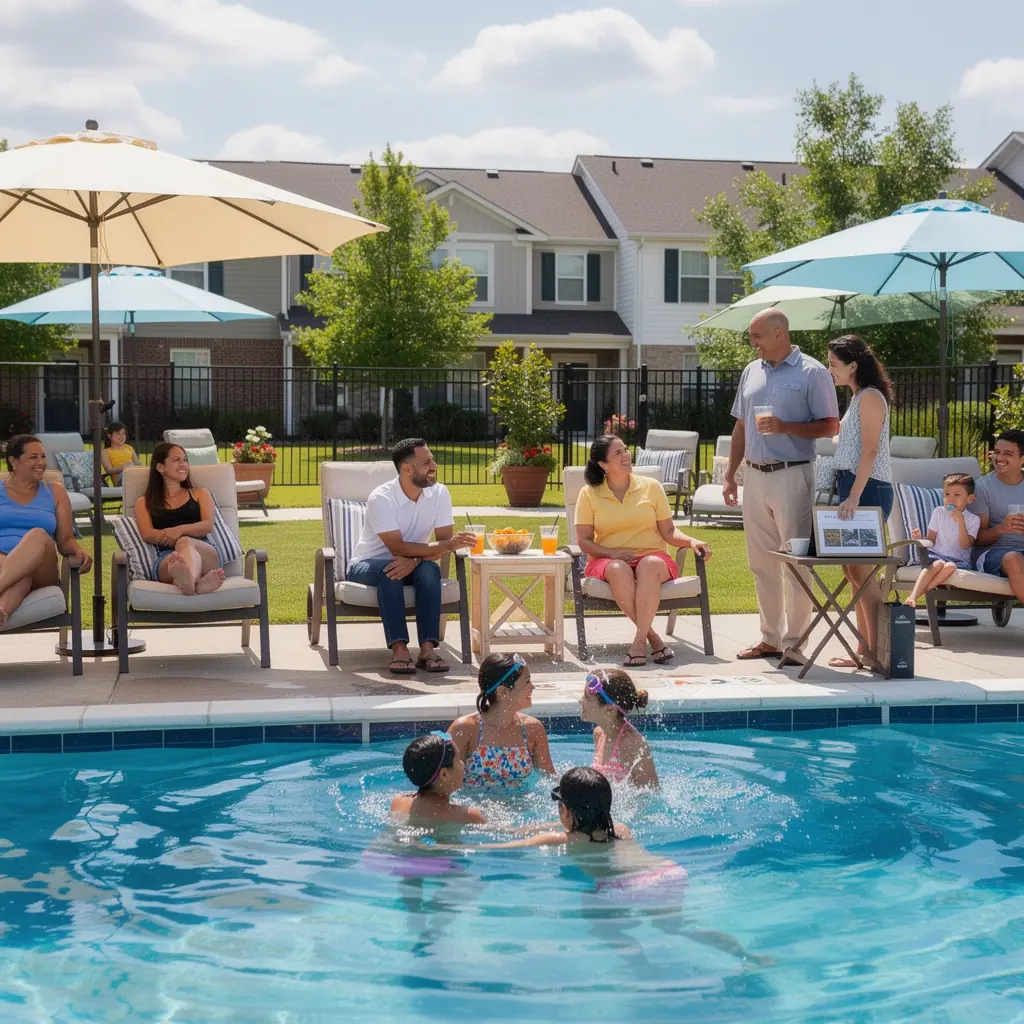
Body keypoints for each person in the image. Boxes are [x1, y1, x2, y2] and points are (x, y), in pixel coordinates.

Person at [724, 309, 839, 663]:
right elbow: (742, 427)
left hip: (792, 475)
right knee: (761, 563)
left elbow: (830, 426)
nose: (752, 343)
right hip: (755, 477)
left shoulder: (813, 372)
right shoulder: (751, 371)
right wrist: (731, 474)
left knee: (796, 563)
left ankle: (795, 645)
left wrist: (786, 426)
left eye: (756, 336)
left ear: (778, 333)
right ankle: (770, 639)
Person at [575, 434, 712, 667]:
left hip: (653, 557)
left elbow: (669, 532)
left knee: (648, 564)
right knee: (618, 569)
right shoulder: (589, 494)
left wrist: (690, 541)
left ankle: (639, 643)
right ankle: (653, 638)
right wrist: (612, 553)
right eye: (618, 453)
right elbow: (584, 541)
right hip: (607, 559)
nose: (626, 455)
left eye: (626, 450)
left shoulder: (651, 487)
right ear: (603, 464)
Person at [347, 438, 476, 676]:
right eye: (426, 462)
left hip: (414, 563)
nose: (433, 466)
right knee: (391, 571)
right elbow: (397, 547)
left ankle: (427, 648)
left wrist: (417, 560)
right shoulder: (382, 497)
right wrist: (438, 548)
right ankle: (399, 648)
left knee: (430, 571)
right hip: (367, 565)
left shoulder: (439, 493)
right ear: (407, 469)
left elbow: (443, 544)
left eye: (432, 460)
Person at [826, 335, 894, 668]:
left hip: (868, 490)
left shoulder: (869, 397)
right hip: (855, 487)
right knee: (854, 570)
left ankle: (878, 651)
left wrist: (854, 496)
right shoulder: (857, 398)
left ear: (853, 366)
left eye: (834, 365)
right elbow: (849, 444)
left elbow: (870, 450)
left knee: (863, 573)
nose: (830, 370)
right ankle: (864, 648)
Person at [0, 434, 93, 627]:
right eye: (33, 457)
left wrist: (78, 550)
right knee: (21, 577)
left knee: (38, 535)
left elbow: (66, 539)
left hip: (42, 567)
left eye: (43, 457)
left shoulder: (55, 491)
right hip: (4, 563)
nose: (41, 462)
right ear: (13, 461)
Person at [449, 652, 555, 792]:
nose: (533, 687)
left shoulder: (533, 729)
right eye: (527, 681)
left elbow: (548, 780)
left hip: (522, 811)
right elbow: (441, 784)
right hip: (473, 811)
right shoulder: (465, 729)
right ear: (502, 692)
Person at [135, 442, 224, 596]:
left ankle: (187, 580)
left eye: (185, 460)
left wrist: (179, 531)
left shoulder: (200, 494)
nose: (183, 464)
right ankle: (196, 585)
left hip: (204, 551)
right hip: (168, 557)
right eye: (177, 460)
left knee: (185, 542)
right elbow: (147, 533)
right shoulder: (144, 502)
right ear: (160, 467)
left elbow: (208, 525)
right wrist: (176, 543)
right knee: (176, 559)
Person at [903, 473, 980, 608]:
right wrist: (920, 538)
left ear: (970, 499)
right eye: (947, 494)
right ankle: (913, 596)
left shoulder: (974, 520)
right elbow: (931, 540)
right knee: (938, 564)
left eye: (956, 495)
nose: (950, 499)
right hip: (938, 555)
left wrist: (961, 521)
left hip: (959, 561)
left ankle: (925, 591)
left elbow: (965, 545)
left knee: (950, 566)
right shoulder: (939, 512)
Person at [581, 669, 658, 788]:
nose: (581, 700)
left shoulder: (634, 745)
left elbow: (651, 795)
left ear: (610, 710)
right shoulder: (599, 734)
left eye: (586, 697)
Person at [390, 732, 486, 826]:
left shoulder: (398, 802)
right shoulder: (469, 816)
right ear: (444, 775)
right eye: (459, 760)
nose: (463, 765)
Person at [972, 429, 1024, 603]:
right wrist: (1002, 529)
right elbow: (976, 538)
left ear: (1022, 460)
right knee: (1014, 559)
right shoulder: (982, 488)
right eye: (997, 452)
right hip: (992, 553)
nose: (999, 458)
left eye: (1008, 453)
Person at [100, 421, 141, 485]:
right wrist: (125, 467)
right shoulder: (105, 452)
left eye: (123, 433)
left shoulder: (129, 448)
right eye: (118, 433)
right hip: (120, 479)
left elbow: (139, 465)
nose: (121, 436)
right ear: (109, 436)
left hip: (133, 473)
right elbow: (109, 470)